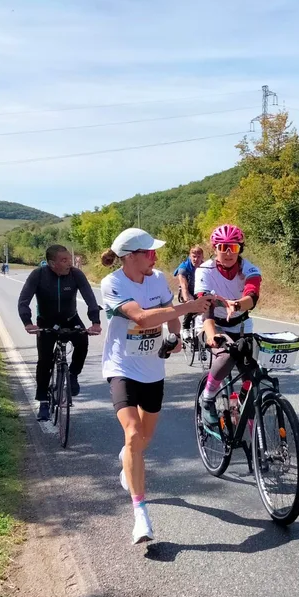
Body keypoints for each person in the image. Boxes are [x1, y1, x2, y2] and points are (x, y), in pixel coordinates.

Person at [99, 227, 212, 544]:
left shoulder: (158, 278)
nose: (155, 257)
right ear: (130, 257)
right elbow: (144, 318)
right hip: (121, 367)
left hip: (152, 371)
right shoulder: (113, 283)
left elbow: (168, 319)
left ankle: (128, 459)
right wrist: (186, 308)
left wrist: (175, 336)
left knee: (142, 440)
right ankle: (141, 516)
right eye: (149, 252)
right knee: (133, 433)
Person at [18, 244, 102, 421]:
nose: (69, 264)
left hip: (70, 318)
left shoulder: (76, 274)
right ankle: (43, 401)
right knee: (44, 362)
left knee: (83, 341)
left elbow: (90, 298)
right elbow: (23, 300)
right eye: (64, 260)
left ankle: (72, 375)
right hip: (46, 321)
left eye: (69, 259)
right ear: (51, 263)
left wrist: (95, 322)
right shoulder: (38, 275)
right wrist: (27, 322)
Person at [195, 224, 262, 429]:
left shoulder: (250, 269)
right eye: (222, 247)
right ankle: (207, 398)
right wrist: (211, 334)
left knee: (253, 373)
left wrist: (237, 304)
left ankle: (241, 405)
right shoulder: (204, 270)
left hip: (241, 323)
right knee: (226, 355)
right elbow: (206, 306)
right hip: (212, 322)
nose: (227, 253)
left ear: (240, 248)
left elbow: (252, 296)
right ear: (215, 248)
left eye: (232, 248)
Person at [173, 244, 205, 340]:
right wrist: (188, 300)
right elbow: (184, 287)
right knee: (191, 305)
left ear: (202, 257)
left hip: (199, 290)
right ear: (190, 256)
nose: (196, 259)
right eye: (194, 256)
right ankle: (186, 327)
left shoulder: (205, 266)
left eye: (198, 257)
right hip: (187, 291)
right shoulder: (184, 267)